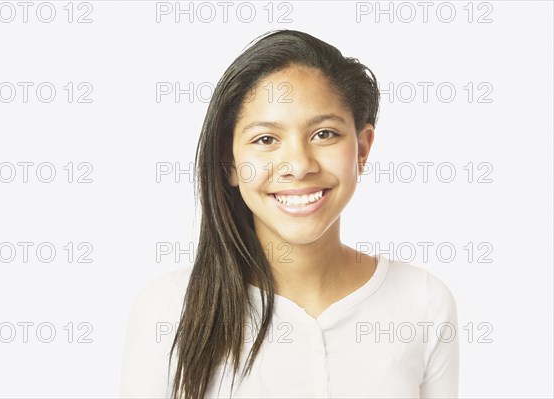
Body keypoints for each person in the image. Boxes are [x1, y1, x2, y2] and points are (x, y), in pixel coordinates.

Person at [120, 29, 459, 399]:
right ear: (229, 162)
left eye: (324, 134)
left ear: (361, 149)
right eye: (266, 140)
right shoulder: (168, 310)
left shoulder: (422, 301)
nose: (298, 165)